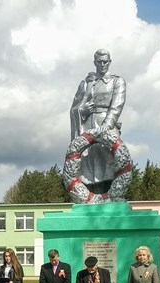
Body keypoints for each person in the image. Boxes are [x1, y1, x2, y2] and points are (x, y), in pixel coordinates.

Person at [69, 49, 126, 190]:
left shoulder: (117, 81)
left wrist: (106, 126)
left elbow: (117, 106)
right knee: (89, 162)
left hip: (107, 125)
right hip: (87, 125)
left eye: (105, 61)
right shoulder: (86, 83)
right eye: (99, 61)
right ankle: (90, 191)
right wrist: (82, 111)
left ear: (110, 62)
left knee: (107, 160)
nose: (102, 64)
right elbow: (74, 108)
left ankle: (111, 191)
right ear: (94, 62)